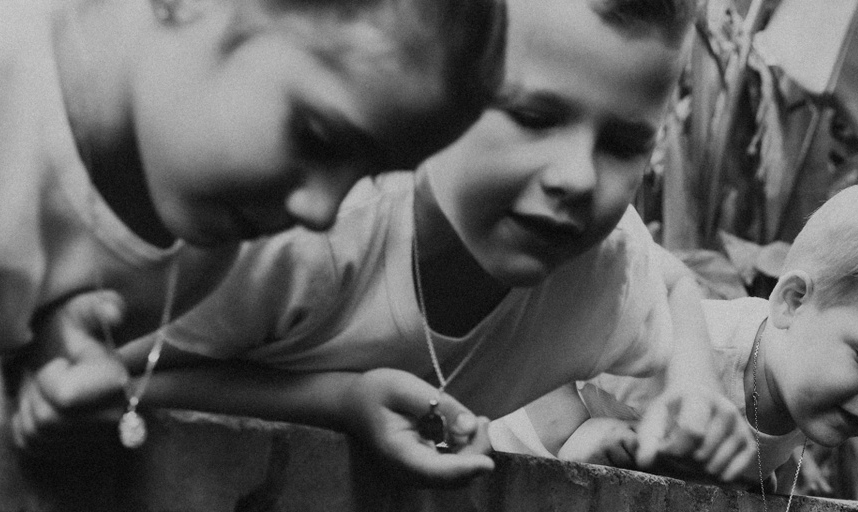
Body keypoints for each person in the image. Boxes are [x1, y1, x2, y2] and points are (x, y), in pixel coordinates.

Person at [146, 0, 758, 487]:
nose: (577, 177)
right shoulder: (312, 223)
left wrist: (694, 385)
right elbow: (114, 371)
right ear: (439, 87)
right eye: (534, 117)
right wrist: (338, 400)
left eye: (624, 145)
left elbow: (670, 281)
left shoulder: (597, 270)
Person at [0, 0, 506, 450]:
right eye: (315, 137)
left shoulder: (200, 251)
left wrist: (55, 375)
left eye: (367, 177)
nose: (320, 213)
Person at [523, 176, 858, 485]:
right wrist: (568, 432)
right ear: (792, 302)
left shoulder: (805, 392)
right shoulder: (694, 343)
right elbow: (550, 312)